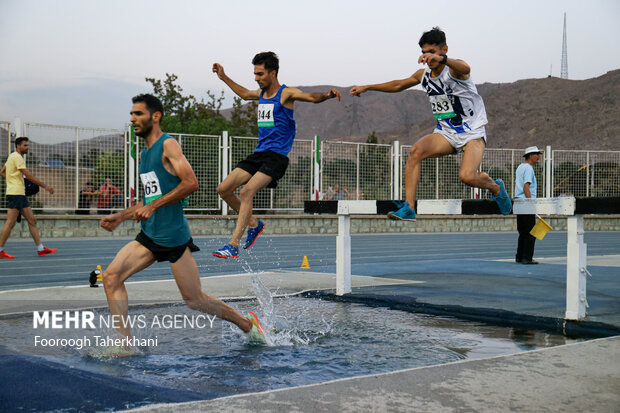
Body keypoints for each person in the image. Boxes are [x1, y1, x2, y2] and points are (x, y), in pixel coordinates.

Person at [100, 94, 266, 345]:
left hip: (173, 237)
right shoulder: (145, 155)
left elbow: (191, 183)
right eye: (131, 114)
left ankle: (246, 324)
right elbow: (150, 198)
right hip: (149, 235)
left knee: (195, 299)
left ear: (155, 117)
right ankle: (124, 345)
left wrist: (154, 205)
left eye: (138, 114)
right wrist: (121, 217)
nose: (132, 119)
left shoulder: (169, 145)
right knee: (111, 277)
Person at [350, 27, 512, 221]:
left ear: (444, 50)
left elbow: (466, 67)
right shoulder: (423, 75)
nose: (428, 57)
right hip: (446, 133)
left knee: (467, 176)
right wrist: (367, 87)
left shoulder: (454, 71)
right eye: (424, 53)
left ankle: (495, 187)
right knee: (415, 151)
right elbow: (398, 85)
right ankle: (409, 207)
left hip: (472, 133)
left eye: (432, 52)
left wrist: (443, 60)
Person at [212, 51, 341, 258]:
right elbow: (245, 94)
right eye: (255, 74)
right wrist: (223, 77)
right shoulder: (261, 94)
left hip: (276, 157)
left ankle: (233, 245)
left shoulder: (286, 93)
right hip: (259, 153)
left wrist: (326, 96)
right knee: (224, 189)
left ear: (272, 73)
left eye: (260, 74)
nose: (256, 78)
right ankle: (254, 224)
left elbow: (311, 97)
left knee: (246, 192)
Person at [0, 137, 57, 259]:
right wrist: (45, 186)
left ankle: (40, 248)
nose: (27, 147)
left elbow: (2, 172)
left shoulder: (11, 156)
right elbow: (28, 175)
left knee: (32, 220)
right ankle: (0, 250)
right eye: (25, 145)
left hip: (20, 193)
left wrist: (12, 181)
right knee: (10, 223)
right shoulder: (17, 157)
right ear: (18, 146)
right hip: (16, 194)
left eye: (28, 145)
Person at [514, 146, 542, 265]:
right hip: (526, 203)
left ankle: (519, 256)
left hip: (518, 202)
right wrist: (531, 202)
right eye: (536, 154)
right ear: (530, 156)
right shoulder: (529, 169)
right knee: (531, 232)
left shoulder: (520, 167)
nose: (538, 157)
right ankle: (527, 257)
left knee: (523, 232)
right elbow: (526, 186)